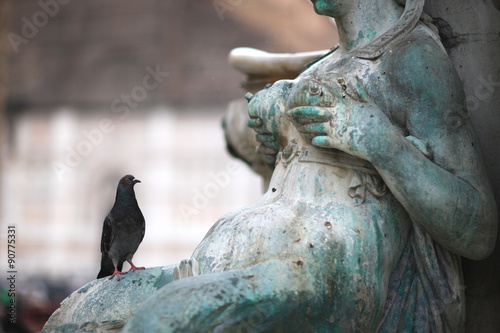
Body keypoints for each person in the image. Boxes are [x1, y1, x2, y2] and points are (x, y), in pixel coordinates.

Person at [124, 0, 497, 331]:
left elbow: (478, 229)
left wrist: (383, 144)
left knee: (165, 317)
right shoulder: (321, 67)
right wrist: (278, 149)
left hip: (323, 270)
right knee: (86, 305)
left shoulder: (412, 58)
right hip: (253, 251)